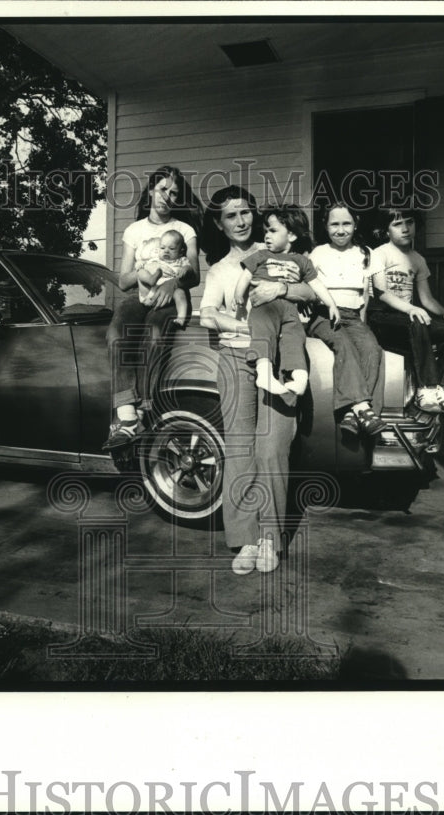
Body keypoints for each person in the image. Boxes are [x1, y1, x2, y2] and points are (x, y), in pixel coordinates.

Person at [199, 188, 315, 575]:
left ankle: (269, 536)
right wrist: (244, 325)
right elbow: (208, 315)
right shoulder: (219, 270)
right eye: (231, 216)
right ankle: (245, 538)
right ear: (220, 223)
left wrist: (281, 288)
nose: (241, 222)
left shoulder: (286, 256)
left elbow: (310, 291)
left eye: (246, 213)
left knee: (273, 447)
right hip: (235, 359)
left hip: (280, 360)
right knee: (240, 450)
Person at [103, 167, 202, 450]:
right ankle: (126, 414)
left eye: (173, 193)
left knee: (155, 333)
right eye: (162, 190)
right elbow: (122, 281)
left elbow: (193, 273)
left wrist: (172, 285)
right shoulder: (134, 231)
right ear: (150, 191)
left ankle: (146, 409)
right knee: (116, 334)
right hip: (140, 294)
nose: (167, 197)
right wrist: (145, 271)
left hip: (174, 296)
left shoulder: (185, 230)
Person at [365, 207, 444, 418]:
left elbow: (426, 299)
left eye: (409, 222)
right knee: (417, 321)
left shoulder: (418, 259)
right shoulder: (379, 253)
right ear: (386, 230)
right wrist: (412, 308)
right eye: (397, 224)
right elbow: (382, 293)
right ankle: (425, 389)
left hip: (406, 319)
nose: (405, 229)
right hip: (381, 319)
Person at [233, 204, 338, 404]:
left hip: (290, 310)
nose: (267, 236)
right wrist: (239, 295)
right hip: (265, 307)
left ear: (291, 236)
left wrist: (331, 304)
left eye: (272, 231)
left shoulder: (301, 261)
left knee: (295, 336)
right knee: (263, 332)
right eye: (265, 231)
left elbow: (316, 285)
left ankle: (299, 377)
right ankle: (264, 371)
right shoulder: (261, 256)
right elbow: (246, 276)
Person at [306, 202, 386, 436]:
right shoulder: (319, 253)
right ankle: (363, 408)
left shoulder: (366, 254)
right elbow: (309, 286)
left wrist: (363, 325)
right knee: (343, 345)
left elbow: (366, 294)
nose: (340, 230)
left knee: (372, 349)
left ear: (355, 224)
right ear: (326, 226)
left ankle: (352, 415)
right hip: (324, 315)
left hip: (353, 316)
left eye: (346, 224)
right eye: (335, 224)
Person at [138, 229, 192, 327]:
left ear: (181, 251)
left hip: (169, 294)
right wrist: (140, 264)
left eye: (171, 248)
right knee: (141, 272)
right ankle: (150, 279)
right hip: (151, 289)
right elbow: (143, 263)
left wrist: (186, 269)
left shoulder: (181, 260)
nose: (166, 251)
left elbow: (190, 268)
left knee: (180, 293)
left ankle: (181, 318)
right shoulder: (155, 259)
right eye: (162, 248)